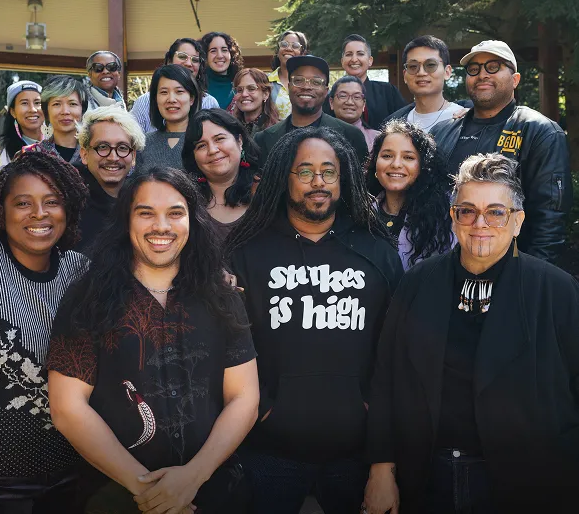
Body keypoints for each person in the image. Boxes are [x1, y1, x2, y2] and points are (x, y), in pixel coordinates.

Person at [364, 153, 579, 514]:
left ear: (517, 221)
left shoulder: (556, 291)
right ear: (454, 218)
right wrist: (381, 467)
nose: (481, 223)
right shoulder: (418, 282)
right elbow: (387, 375)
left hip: (528, 483)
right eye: (468, 210)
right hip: (427, 477)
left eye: (496, 212)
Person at [46, 167, 259, 514]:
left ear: (193, 220)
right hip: (116, 497)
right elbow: (68, 408)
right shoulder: (89, 296)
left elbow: (244, 396)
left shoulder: (220, 295)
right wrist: (151, 492)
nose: (162, 226)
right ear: (126, 221)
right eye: (146, 213)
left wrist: (192, 478)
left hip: (213, 492)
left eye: (175, 213)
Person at [226, 127, 403, 514]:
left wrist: (382, 458)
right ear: (282, 178)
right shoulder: (245, 251)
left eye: (329, 171)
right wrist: (265, 408)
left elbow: (395, 358)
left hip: (355, 454)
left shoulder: (377, 252)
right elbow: (226, 347)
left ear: (345, 179)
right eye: (304, 172)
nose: (318, 182)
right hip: (269, 451)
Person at [0, 149, 89, 512]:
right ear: (2, 210)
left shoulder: (80, 271)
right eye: (23, 203)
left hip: (66, 479)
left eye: (52, 202)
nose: (39, 214)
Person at [430, 39, 572, 263]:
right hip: (444, 265)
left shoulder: (539, 131)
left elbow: (550, 219)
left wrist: (529, 280)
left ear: (515, 79)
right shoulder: (442, 132)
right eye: (474, 69)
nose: (482, 74)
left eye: (493, 67)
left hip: (509, 268)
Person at [366, 119, 453, 268]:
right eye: (387, 156)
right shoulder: (360, 213)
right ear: (375, 162)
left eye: (408, 157)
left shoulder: (445, 215)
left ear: (423, 166)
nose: (396, 164)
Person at [254, 55, 368, 168]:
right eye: (298, 80)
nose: (306, 86)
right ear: (288, 87)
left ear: (326, 91)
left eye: (316, 82)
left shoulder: (351, 136)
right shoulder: (263, 139)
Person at [74, 105, 146, 254]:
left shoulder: (142, 200)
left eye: (122, 148)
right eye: (103, 147)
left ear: (133, 157)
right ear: (84, 154)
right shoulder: (69, 203)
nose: (113, 157)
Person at [182, 108, 260, 241]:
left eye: (219, 139)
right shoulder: (186, 201)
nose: (212, 150)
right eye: (201, 146)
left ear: (239, 141)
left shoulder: (265, 192)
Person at [130, 38, 220, 132]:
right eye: (182, 56)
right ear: (169, 61)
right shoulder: (143, 102)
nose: (189, 63)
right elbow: (133, 141)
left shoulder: (210, 103)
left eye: (195, 60)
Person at [324, 34, 406, 129]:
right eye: (349, 54)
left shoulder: (388, 92)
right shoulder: (331, 97)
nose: (354, 59)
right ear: (342, 61)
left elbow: (403, 124)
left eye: (360, 54)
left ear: (370, 60)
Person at [385, 35, 465, 131]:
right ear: (405, 75)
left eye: (431, 65)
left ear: (447, 72)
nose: (421, 73)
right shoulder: (393, 125)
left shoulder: (464, 118)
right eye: (413, 66)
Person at [136, 64, 202, 172]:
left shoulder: (202, 140)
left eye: (179, 92)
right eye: (164, 92)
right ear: (155, 99)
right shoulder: (144, 143)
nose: (171, 99)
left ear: (192, 99)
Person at [40, 75, 88, 165]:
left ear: (83, 110)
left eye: (72, 104)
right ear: (46, 111)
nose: (65, 111)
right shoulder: (30, 154)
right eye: (57, 104)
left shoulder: (94, 154)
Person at [0, 80, 45, 169]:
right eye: (24, 103)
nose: (33, 109)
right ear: (13, 112)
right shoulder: (9, 155)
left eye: (37, 103)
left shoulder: (57, 141)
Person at [328, 76, 378, 151]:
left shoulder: (377, 138)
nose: (349, 102)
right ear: (331, 102)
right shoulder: (318, 137)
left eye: (357, 97)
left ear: (364, 104)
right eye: (343, 96)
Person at [267, 30, 308, 120]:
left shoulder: (309, 82)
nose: (289, 49)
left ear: (303, 52)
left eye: (295, 46)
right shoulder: (265, 81)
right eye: (284, 44)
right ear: (278, 51)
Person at [201, 32, 243, 110]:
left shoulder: (241, 85)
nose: (220, 56)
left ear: (231, 54)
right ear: (205, 56)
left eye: (224, 50)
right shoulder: (197, 86)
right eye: (213, 51)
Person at [232, 67, 279, 135]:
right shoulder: (229, 128)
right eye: (239, 90)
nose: (244, 94)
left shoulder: (278, 130)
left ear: (265, 94)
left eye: (251, 89)